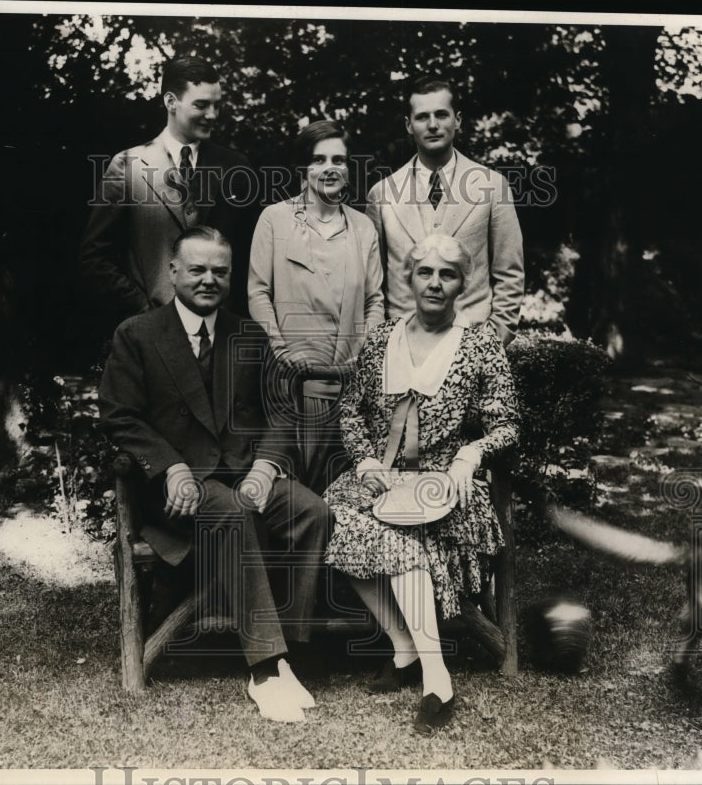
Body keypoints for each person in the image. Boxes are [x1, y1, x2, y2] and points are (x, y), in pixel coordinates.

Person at [98, 225, 329, 723]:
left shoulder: (247, 334)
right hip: (175, 491)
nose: (208, 279)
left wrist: (266, 468)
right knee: (227, 512)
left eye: (219, 272)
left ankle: (292, 649)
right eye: (197, 269)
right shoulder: (137, 334)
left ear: (231, 276)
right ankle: (266, 668)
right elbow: (120, 416)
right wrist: (171, 467)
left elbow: (282, 412)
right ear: (174, 271)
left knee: (312, 510)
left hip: (245, 475)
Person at [323, 233, 520, 735]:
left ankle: (436, 676)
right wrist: (367, 462)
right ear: (408, 279)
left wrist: (471, 454)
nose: (435, 284)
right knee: (332, 514)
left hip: (444, 484)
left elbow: (508, 425)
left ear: (462, 283)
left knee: (397, 534)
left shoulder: (479, 347)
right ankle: (404, 644)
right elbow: (350, 411)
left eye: (447, 275)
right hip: (382, 478)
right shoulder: (380, 340)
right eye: (425, 273)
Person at [248, 120, 384, 492]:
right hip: (288, 382)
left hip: (348, 381)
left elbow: (375, 299)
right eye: (318, 159)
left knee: (340, 489)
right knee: (293, 490)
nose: (330, 168)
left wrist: (364, 353)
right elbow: (258, 292)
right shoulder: (274, 219)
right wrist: (281, 349)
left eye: (339, 159)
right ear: (302, 168)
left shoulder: (362, 228)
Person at [80, 57, 257, 330]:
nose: (212, 115)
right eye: (201, 105)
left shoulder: (237, 168)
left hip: (220, 335)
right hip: (150, 334)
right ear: (171, 102)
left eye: (216, 105)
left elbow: (249, 258)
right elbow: (95, 258)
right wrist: (143, 309)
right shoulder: (127, 164)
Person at [366, 76, 525, 345]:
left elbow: (510, 273)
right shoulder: (382, 195)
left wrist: (492, 341)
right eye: (422, 117)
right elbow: (373, 284)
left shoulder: (493, 186)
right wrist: (384, 342)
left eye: (441, 114)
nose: (432, 125)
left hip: (472, 346)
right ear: (408, 125)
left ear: (457, 120)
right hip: (401, 346)